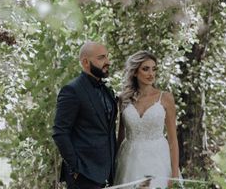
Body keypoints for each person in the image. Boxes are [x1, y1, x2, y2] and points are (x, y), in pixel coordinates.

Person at [52, 42, 118, 189]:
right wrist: (76, 168)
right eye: (101, 58)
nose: (108, 62)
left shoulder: (107, 90)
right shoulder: (72, 90)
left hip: (108, 173)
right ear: (85, 62)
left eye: (107, 57)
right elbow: (60, 132)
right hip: (83, 176)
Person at [115, 50, 181, 188]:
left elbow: (173, 141)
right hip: (129, 161)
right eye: (145, 69)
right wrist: (114, 166)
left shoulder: (166, 98)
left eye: (154, 69)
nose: (151, 74)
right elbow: (120, 137)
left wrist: (174, 174)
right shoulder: (124, 99)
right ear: (135, 72)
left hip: (158, 160)